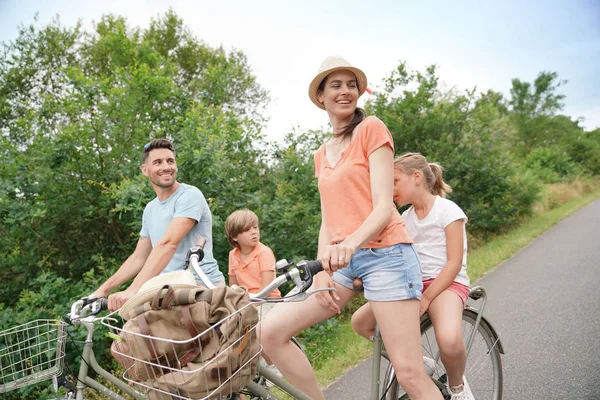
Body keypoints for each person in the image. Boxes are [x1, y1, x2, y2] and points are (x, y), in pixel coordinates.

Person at [259, 56, 443, 400]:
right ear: (321, 97)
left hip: (387, 255)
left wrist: (350, 244)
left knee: (409, 375)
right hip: (344, 264)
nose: (345, 92)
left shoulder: (371, 128)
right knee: (270, 332)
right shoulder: (320, 154)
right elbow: (328, 218)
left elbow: (384, 206)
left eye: (351, 85)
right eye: (336, 85)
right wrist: (320, 270)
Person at [351, 152, 474, 400]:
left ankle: (458, 387)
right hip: (410, 284)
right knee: (360, 323)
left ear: (416, 177)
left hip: (446, 284)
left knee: (449, 339)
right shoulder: (403, 220)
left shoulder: (447, 210)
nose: (390, 190)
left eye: (394, 182)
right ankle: (420, 364)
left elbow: (453, 263)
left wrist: (427, 298)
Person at [92, 138, 225, 311]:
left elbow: (168, 244)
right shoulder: (150, 209)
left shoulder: (190, 196)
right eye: (158, 162)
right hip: (169, 290)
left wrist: (133, 290)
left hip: (201, 287)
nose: (166, 167)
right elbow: (139, 258)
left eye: (170, 161)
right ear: (145, 170)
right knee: (129, 336)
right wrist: (101, 291)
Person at [225, 208, 281, 299]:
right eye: (247, 230)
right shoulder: (233, 255)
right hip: (246, 301)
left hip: (268, 301)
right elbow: (233, 288)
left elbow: (266, 290)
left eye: (255, 227)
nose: (254, 232)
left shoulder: (264, 252)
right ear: (234, 236)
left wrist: (247, 306)